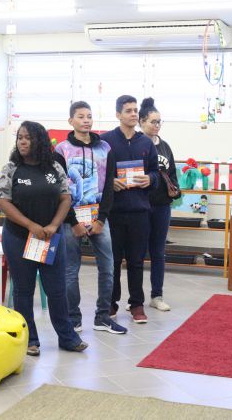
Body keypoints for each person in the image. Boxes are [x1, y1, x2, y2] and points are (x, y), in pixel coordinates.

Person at [0, 121, 89, 356]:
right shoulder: (11, 168)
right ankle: (29, 340)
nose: (22, 142)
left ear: (40, 141)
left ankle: (68, 338)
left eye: (28, 138)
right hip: (18, 237)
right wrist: (31, 226)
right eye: (20, 137)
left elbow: (65, 198)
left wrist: (54, 225)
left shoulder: (54, 167)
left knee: (56, 290)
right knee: (23, 290)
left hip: (49, 238)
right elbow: (3, 202)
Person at [56, 101, 127, 334]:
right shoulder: (61, 150)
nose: (86, 120)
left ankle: (103, 316)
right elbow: (60, 190)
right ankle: (73, 318)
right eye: (81, 116)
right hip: (70, 220)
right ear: (71, 121)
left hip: (99, 218)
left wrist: (101, 219)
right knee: (70, 270)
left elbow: (108, 187)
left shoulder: (105, 148)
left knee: (108, 267)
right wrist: (73, 222)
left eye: (89, 116)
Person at [102, 95, 159, 324]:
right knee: (113, 261)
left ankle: (137, 304)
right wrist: (110, 182)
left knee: (136, 261)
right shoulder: (105, 141)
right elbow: (98, 173)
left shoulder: (146, 142)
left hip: (139, 212)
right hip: (113, 212)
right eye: (128, 111)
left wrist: (150, 179)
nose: (134, 114)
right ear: (118, 114)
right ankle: (111, 303)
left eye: (136, 110)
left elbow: (156, 173)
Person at [139, 97, 180, 312]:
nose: (156, 126)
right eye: (153, 122)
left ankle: (157, 295)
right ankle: (135, 299)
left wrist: (175, 189)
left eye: (159, 122)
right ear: (142, 122)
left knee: (158, 252)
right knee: (136, 253)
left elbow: (172, 173)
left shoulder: (164, 146)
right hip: (140, 206)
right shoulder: (136, 144)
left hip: (162, 206)